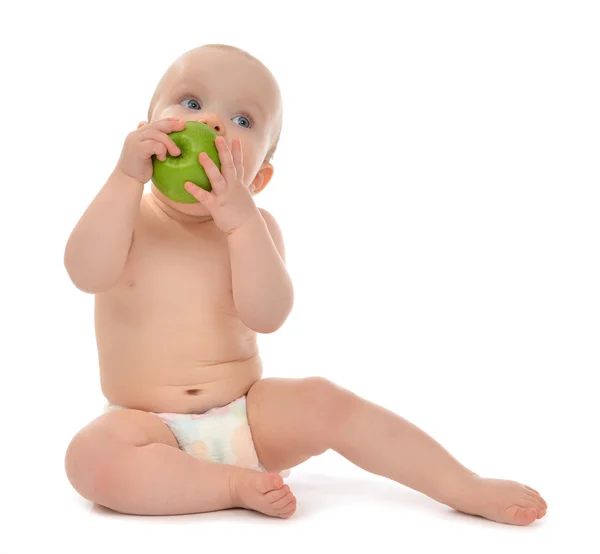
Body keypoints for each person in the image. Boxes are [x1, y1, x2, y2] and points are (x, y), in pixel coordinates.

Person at [63, 44, 547, 524]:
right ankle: (232, 487)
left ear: (259, 178)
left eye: (243, 121)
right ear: (143, 131)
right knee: (91, 457)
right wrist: (125, 178)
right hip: (147, 428)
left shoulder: (256, 229)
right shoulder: (123, 216)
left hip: (248, 419)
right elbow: (86, 272)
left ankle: (461, 484)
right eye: (191, 103)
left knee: (324, 399)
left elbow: (267, 315)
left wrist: (240, 226)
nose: (211, 123)